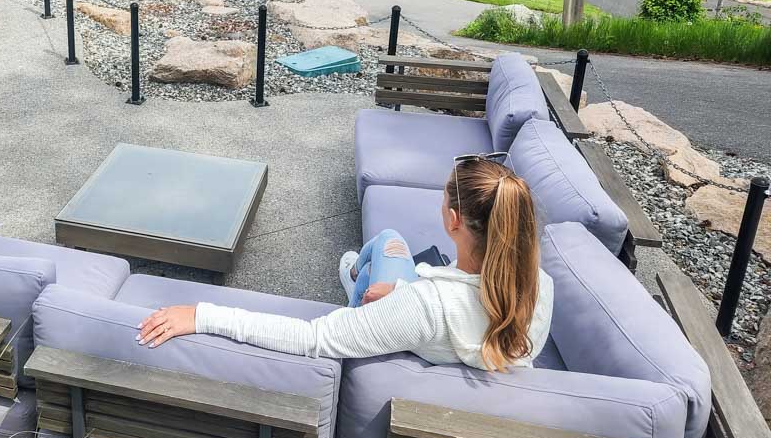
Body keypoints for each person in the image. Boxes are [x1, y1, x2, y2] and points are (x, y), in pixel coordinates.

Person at [137, 156, 554, 372]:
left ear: (453, 220)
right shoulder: (538, 285)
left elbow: (311, 337)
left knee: (384, 246)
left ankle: (353, 275)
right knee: (386, 246)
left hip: (416, 315)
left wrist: (202, 315)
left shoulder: (425, 307)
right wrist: (402, 292)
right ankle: (357, 272)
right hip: (423, 306)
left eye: (444, 199)